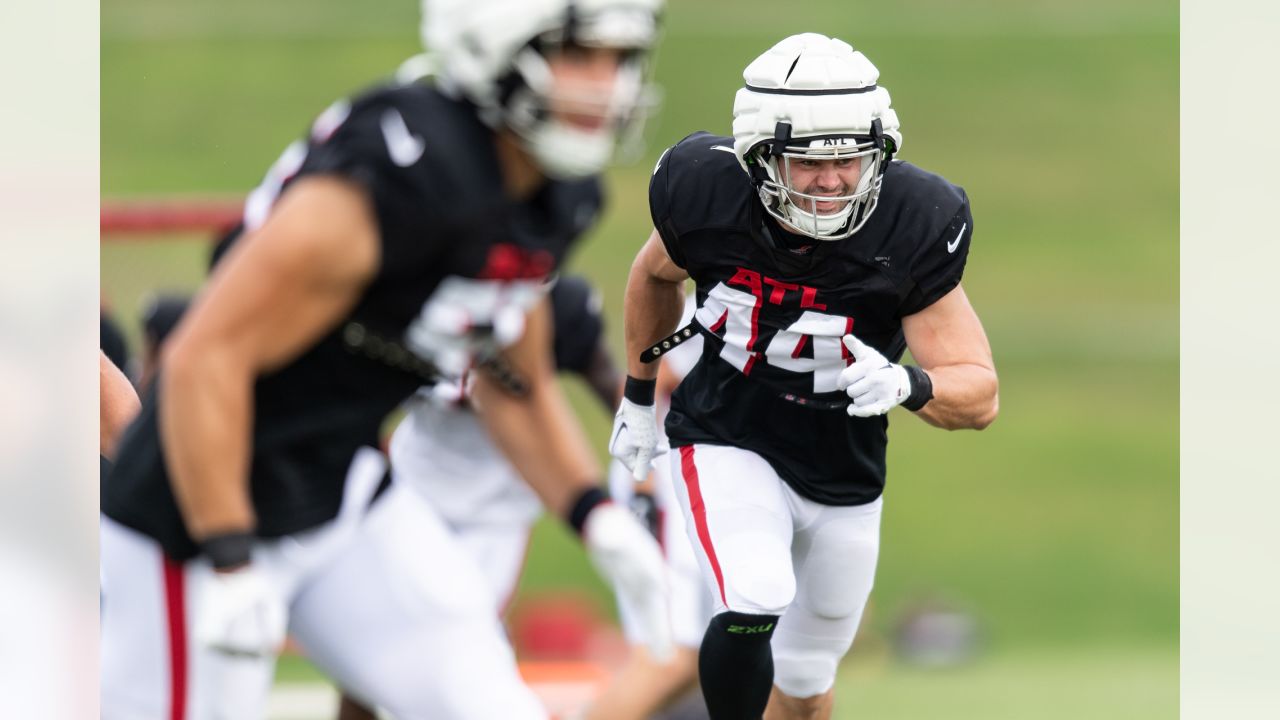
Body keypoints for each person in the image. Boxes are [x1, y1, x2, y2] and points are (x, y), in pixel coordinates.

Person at [101, 0, 669, 717]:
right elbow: (205, 357)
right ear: (496, 45)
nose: (607, 85)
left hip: (339, 491)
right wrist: (230, 555)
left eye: (619, 60)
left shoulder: (556, 189)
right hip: (195, 509)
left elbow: (514, 383)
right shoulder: (407, 168)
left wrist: (597, 519)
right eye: (579, 55)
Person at [609, 33, 999, 720]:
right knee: (753, 596)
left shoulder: (914, 220)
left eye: (849, 159)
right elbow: (652, 275)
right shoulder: (705, 191)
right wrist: (640, 399)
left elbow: (979, 392)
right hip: (727, 432)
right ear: (759, 156)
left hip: (843, 466)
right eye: (807, 163)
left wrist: (911, 385)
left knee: (807, 680)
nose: (832, 181)